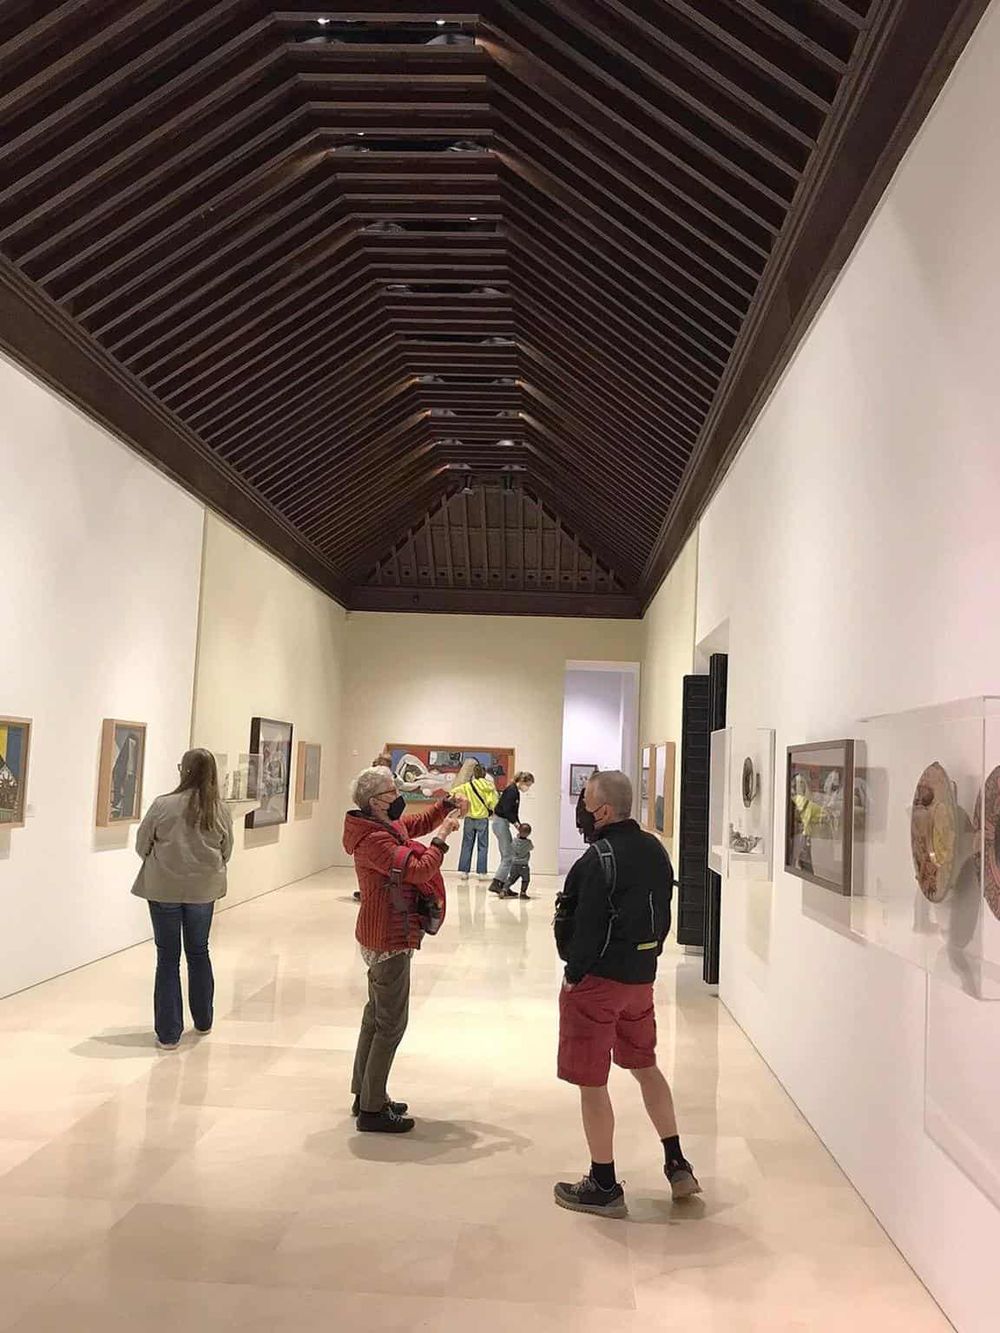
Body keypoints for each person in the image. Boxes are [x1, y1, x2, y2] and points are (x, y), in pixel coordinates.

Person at [553, 769, 699, 1217]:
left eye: (587, 800)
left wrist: (574, 976)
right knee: (645, 1066)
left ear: (605, 810)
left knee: (592, 1083)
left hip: (598, 984)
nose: (582, 807)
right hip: (640, 981)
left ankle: (602, 1182)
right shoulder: (656, 850)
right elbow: (664, 917)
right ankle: (676, 1162)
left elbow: (585, 928)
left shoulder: (596, 860)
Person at [343, 765, 463, 1133]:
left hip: (384, 932)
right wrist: (442, 838)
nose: (398, 798)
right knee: (391, 1024)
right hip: (387, 937)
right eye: (392, 793)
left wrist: (444, 809)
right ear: (376, 802)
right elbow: (419, 870)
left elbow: (415, 824)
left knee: (375, 1017)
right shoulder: (373, 840)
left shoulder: (381, 826)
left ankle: (366, 1093)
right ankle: (373, 1110)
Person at [132, 749, 234, 1050]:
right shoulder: (219, 809)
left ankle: (169, 1033)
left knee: (167, 957)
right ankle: (203, 1020)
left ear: (184, 770)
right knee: (199, 951)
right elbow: (227, 850)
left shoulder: (163, 805)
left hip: (163, 888)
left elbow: (142, 844)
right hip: (203, 890)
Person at [488, 770, 535, 896]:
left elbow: (514, 812)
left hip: (503, 823)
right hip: (500, 822)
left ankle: (503, 885)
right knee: (508, 856)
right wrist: (516, 824)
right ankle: (497, 883)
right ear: (522, 781)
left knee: (507, 855)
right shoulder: (511, 791)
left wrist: (517, 823)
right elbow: (507, 810)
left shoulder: (515, 791)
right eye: (528, 785)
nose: (528, 788)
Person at [451, 762, 498, 882]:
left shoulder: (467, 786)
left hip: (469, 818)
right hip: (482, 819)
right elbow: (493, 803)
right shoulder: (489, 786)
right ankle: (481, 872)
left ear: (474, 774)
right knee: (483, 846)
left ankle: (464, 872)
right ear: (484, 774)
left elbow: (453, 791)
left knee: (467, 845)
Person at [506, 822, 533, 899]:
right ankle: (523, 892)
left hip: (514, 864)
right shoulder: (528, 843)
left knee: (511, 878)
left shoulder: (514, 841)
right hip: (524, 865)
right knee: (526, 879)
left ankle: (504, 889)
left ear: (519, 831)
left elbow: (511, 847)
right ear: (529, 833)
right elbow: (531, 848)